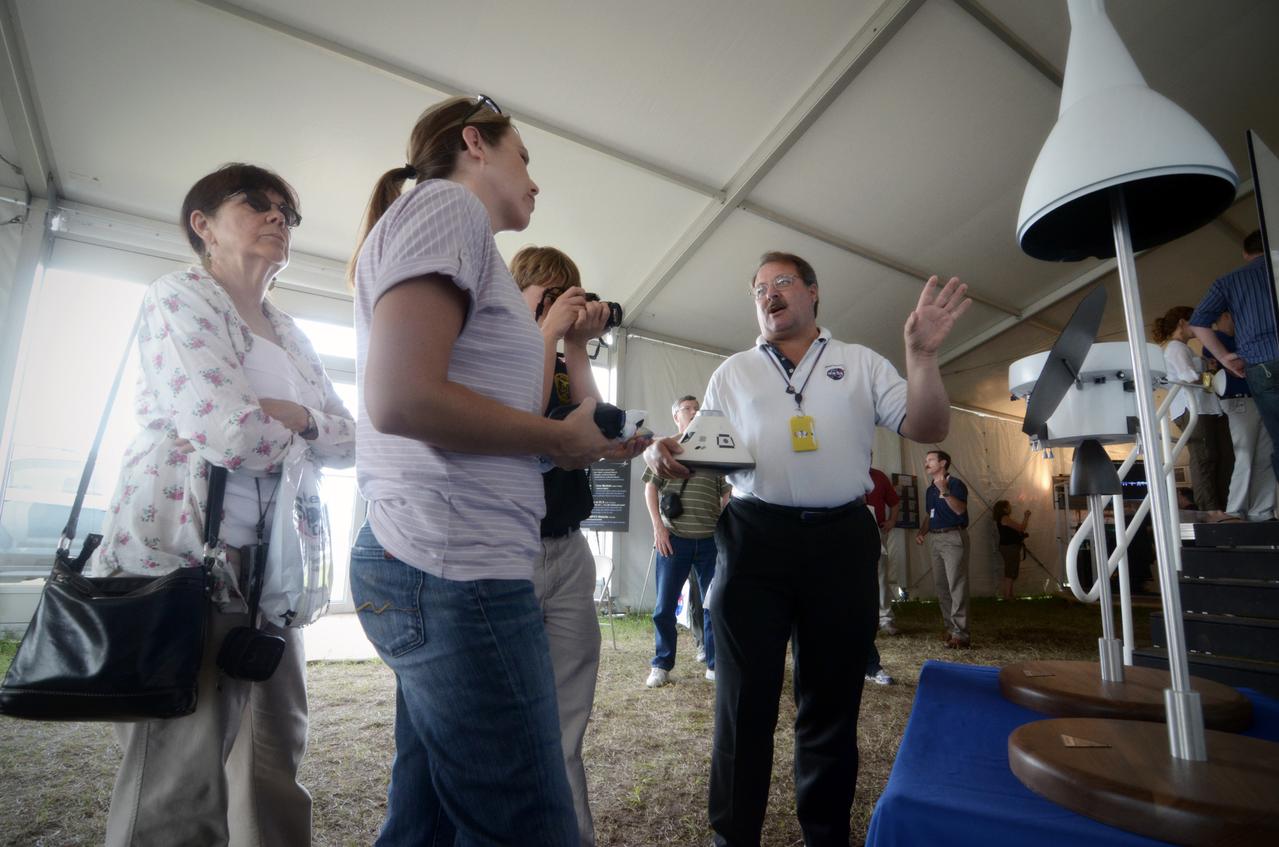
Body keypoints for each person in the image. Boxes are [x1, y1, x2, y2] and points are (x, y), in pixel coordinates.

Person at [349, 95, 634, 846]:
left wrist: (570, 441)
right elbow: (402, 397)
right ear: (475, 143)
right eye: (525, 158)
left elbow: (473, 413)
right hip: (452, 566)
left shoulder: (449, 227)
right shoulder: (448, 208)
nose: (534, 181)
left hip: (444, 559)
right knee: (528, 824)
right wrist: (557, 438)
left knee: (426, 817)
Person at [644, 251, 970, 847]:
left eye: (783, 282)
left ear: (814, 293)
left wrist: (921, 355)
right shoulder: (733, 372)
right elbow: (699, 454)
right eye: (758, 287)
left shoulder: (860, 362)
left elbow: (928, 426)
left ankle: (825, 834)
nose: (769, 294)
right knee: (743, 705)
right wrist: (664, 452)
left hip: (840, 540)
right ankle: (732, 836)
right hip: (753, 539)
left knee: (831, 702)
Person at [90, 163, 356, 846]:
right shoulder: (178, 297)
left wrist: (290, 414)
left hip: (273, 577)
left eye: (286, 212)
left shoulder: (287, 330)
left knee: (272, 762)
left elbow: (346, 438)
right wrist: (300, 425)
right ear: (202, 225)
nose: (278, 218)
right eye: (258, 205)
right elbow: (225, 430)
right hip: (183, 566)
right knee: (179, 782)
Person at [510, 244, 614, 846]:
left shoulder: (557, 351)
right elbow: (518, 417)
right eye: (547, 293)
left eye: (566, 292)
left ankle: (570, 834)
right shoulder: (497, 342)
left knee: (567, 715)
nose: (559, 304)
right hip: (510, 547)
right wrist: (547, 333)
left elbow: (590, 420)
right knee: (510, 708)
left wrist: (575, 345)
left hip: (568, 545)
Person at [641, 395, 728, 688]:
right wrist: (658, 528)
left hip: (709, 542)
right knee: (665, 606)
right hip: (673, 540)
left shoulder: (714, 452)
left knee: (713, 604)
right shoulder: (663, 450)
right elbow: (651, 489)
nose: (694, 412)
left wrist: (721, 517)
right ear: (676, 416)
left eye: (698, 408)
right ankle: (661, 664)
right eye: (688, 408)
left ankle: (715, 664)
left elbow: (726, 491)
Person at [1190, 231, 1278, 483]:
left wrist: (1225, 358)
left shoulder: (1230, 281)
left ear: (1245, 254)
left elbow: (1199, 322)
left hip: (1260, 367)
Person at [1153, 305, 1233, 515]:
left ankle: (1220, 508)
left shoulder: (1182, 348)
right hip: (1194, 408)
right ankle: (1211, 510)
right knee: (1205, 457)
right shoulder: (1175, 348)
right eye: (1196, 321)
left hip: (1205, 408)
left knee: (1222, 457)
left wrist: (1207, 369)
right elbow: (1189, 377)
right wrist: (1210, 373)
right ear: (1182, 322)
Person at [1204, 311, 1275, 520]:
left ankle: (1261, 509)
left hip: (1258, 398)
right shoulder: (1216, 341)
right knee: (1244, 455)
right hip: (1239, 400)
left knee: (1265, 457)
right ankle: (1236, 509)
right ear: (1226, 316)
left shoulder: (1236, 340)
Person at [915, 450, 971, 648]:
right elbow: (929, 515)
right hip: (936, 539)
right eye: (926, 459)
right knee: (941, 586)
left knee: (956, 584)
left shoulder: (955, 484)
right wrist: (922, 532)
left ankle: (961, 634)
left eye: (930, 459)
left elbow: (959, 510)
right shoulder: (930, 489)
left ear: (943, 463)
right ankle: (951, 629)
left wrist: (945, 491)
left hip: (953, 537)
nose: (926, 463)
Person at [863, 466, 900, 687]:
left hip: (875, 531)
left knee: (880, 577)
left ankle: (885, 618)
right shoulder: (842, 470)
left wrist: (892, 521)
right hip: (846, 532)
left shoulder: (879, 476)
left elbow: (894, 502)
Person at [993, 500, 1031, 601]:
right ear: (1004, 508)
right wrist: (1026, 516)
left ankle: (1010, 595)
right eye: (1008, 506)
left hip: (1009, 547)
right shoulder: (1005, 518)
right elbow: (1021, 528)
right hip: (1009, 547)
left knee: (1011, 569)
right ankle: (1007, 596)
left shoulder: (1002, 518)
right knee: (1010, 570)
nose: (1010, 508)